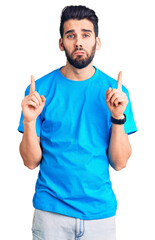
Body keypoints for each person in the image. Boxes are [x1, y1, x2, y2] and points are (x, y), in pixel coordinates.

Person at [18, 5, 137, 240]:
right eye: (71, 35)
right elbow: (31, 162)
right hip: (51, 213)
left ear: (97, 42)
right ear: (61, 43)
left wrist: (117, 117)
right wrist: (29, 122)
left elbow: (120, 162)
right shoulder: (39, 92)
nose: (78, 42)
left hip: (99, 215)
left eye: (86, 34)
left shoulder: (116, 94)